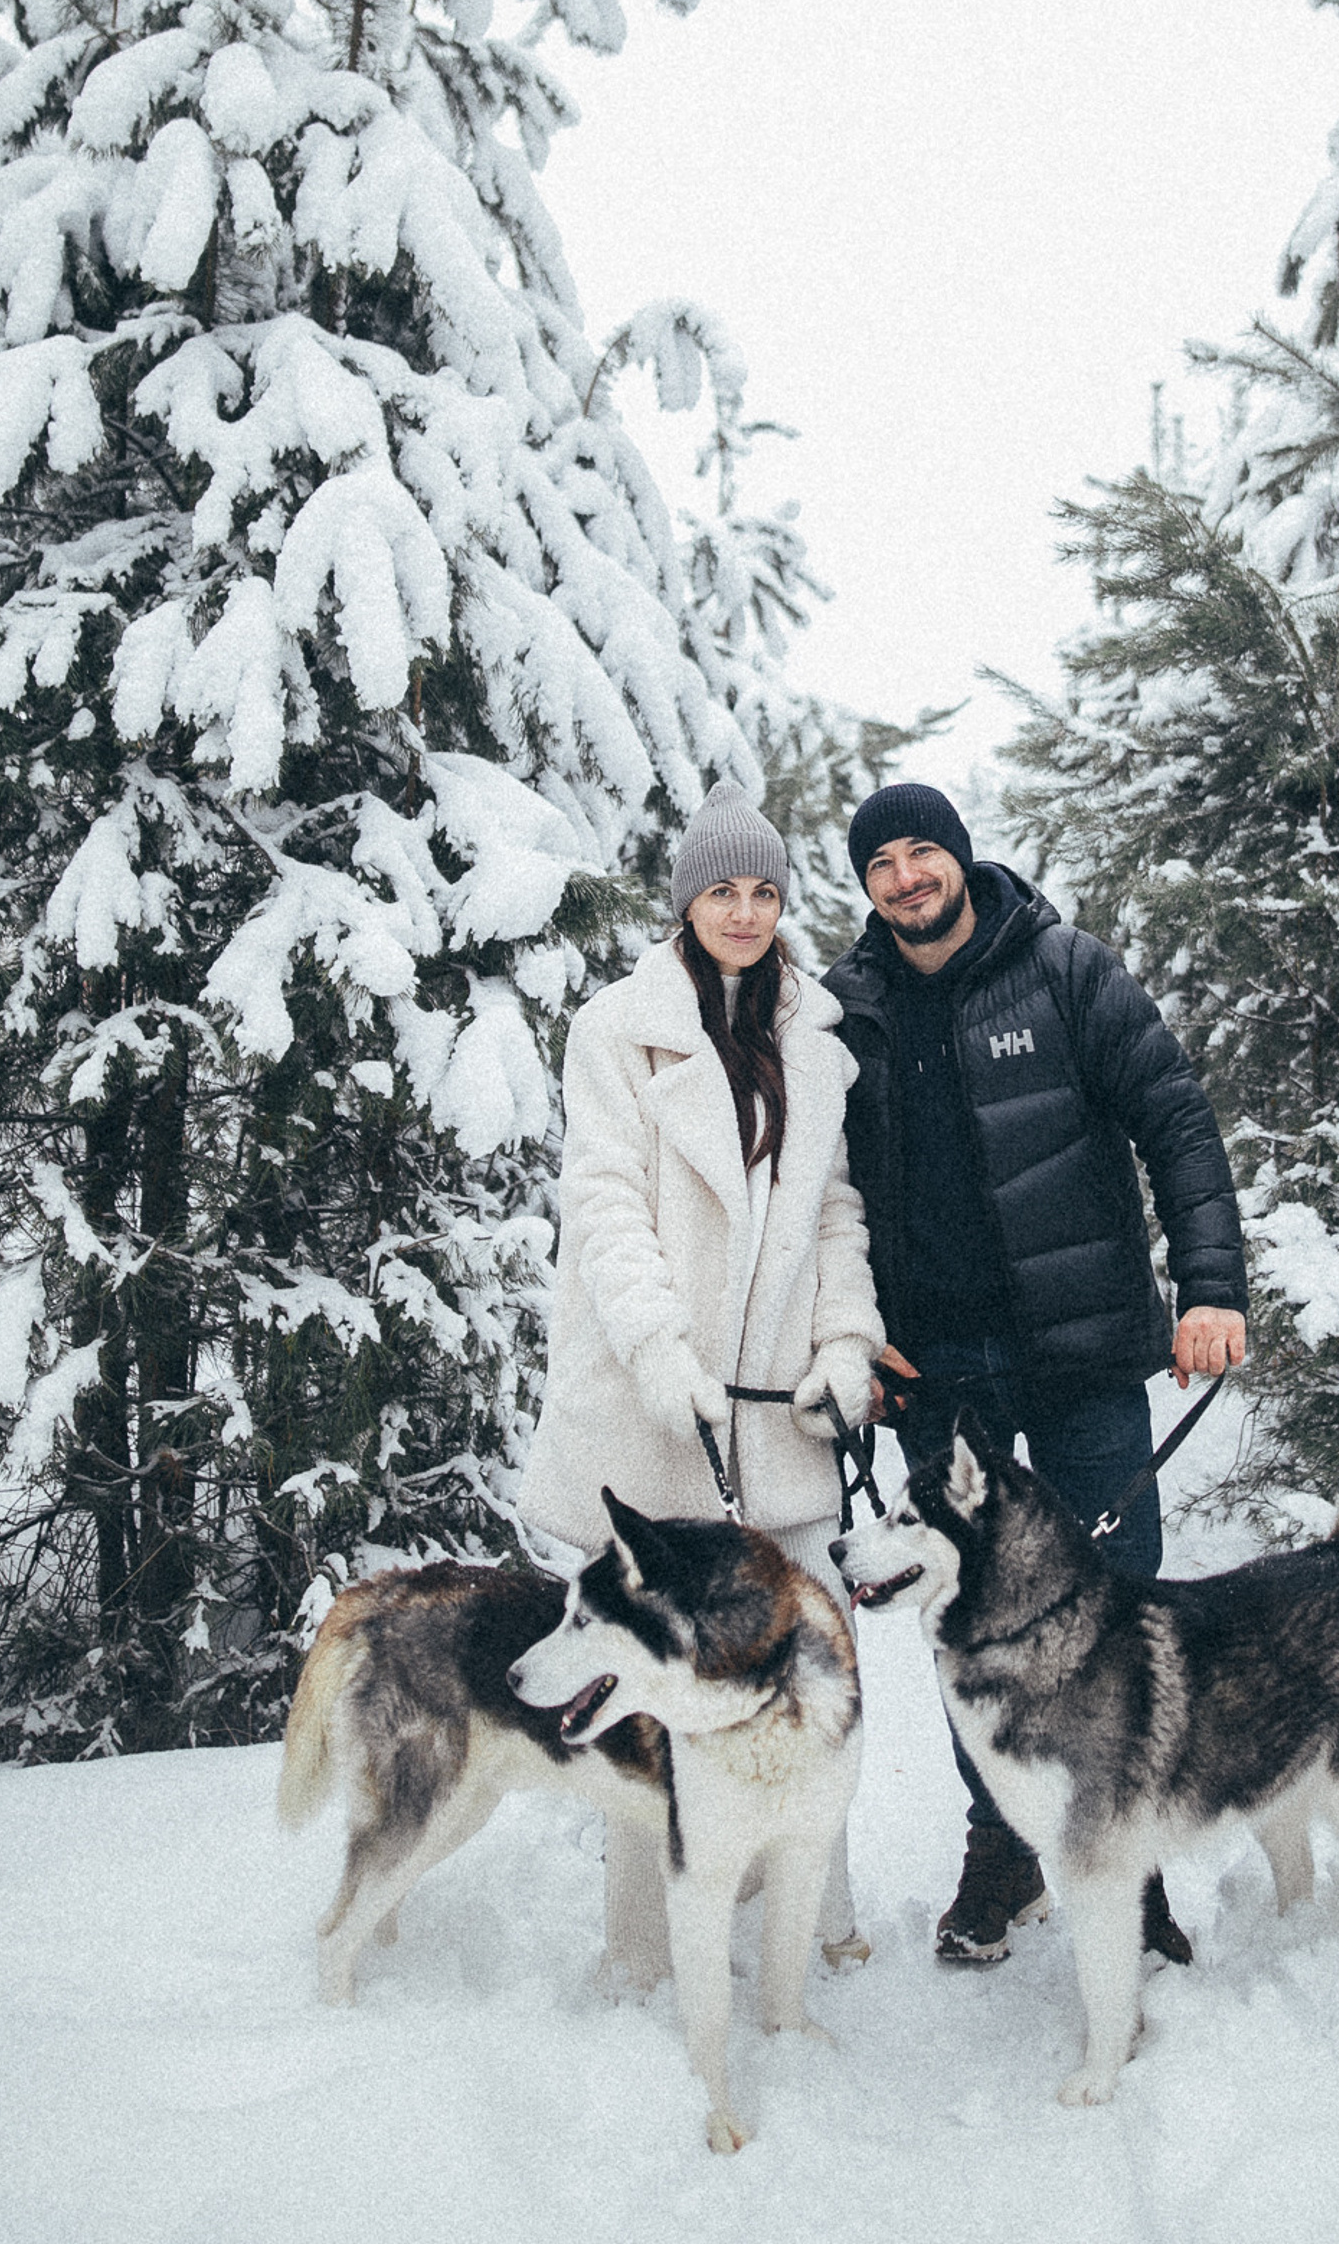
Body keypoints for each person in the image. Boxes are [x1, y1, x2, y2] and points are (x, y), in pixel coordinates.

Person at [822, 781, 1248, 1968]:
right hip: (936, 1378)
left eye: (923, 852)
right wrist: (845, 1335)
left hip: (1083, 1353)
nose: (907, 877)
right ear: (864, 886)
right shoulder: (846, 1011)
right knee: (969, 1621)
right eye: (882, 863)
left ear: (959, 857)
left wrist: (1211, 1284)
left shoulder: (1065, 969)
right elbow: (814, 1195)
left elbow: (1176, 1118)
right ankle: (1007, 1851)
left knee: (1120, 1606)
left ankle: (1137, 1857)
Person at [520, 779, 884, 1980]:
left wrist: (844, 1348)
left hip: (776, 1421)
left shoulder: (816, 1043)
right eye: (722, 890)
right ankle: (647, 1949)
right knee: (651, 1683)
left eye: (764, 890)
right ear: (685, 902)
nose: (744, 910)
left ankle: (809, 1918)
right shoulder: (615, 1030)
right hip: (651, 1406)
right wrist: (661, 1353)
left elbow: (836, 1216)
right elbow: (606, 1205)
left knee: (800, 1671)